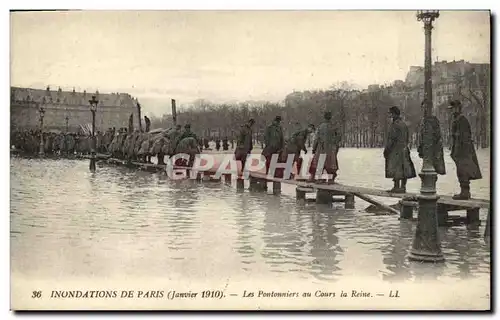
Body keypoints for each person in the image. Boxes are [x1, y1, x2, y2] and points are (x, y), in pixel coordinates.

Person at [448, 100, 482, 199]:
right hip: (460, 150)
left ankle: (465, 193)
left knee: (463, 171)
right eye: (451, 109)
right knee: (461, 171)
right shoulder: (457, 119)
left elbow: (463, 136)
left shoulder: (461, 120)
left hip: (463, 150)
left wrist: (458, 150)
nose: (452, 111)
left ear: (458, 108)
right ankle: (464, 192)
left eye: (453, 109)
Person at [383, 106, 417, 193]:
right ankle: (403, 187)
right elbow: (406, 137)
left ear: (394, 114)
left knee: (396, 168)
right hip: (404, 149)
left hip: (395, 150)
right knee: (404, 168)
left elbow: (392, 139)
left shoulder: (395, 125)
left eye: (390, 114)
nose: (390, 116)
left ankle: (396, 187)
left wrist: (387, 150)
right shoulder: (403, 124)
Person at [309, 111, 341, 183]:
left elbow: (316, 138)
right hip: (330, 149)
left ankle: (319, 179)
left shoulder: (320, 126)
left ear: (324, 117)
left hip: (321, 148)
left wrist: (314, 148)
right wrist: (334, 144)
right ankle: (330, 179)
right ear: (330, 117)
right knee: (331, 164)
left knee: (320, 163)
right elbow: (339, 137)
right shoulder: (334, 126)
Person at [417, 100, 446, 177]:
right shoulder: (423, 120)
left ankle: (431, 186)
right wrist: (420, 147)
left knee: (433, 169)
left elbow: (437, 135)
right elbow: (421, 135)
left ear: (430, 108)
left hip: (432, 150)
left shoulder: (433, 120)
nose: (424, 109)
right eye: (423, 107)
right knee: (427, 170)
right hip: (426, 150)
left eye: (426, 107)